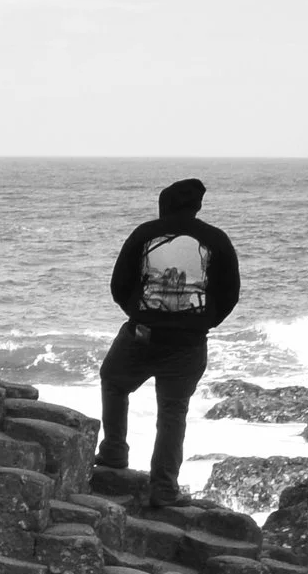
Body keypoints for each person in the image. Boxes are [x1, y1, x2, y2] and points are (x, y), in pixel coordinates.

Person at [98, 175, 240, 507]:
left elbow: (119, 284)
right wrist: (203, 322)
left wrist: (140, 312)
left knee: (114, 381)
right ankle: (163, 488)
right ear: (196, 206)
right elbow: (230, 293)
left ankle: (115, 453)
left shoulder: (145, 234)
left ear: (165, 204)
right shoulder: (216, 240)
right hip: (189, 345)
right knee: (173, 413)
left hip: (142, 336)